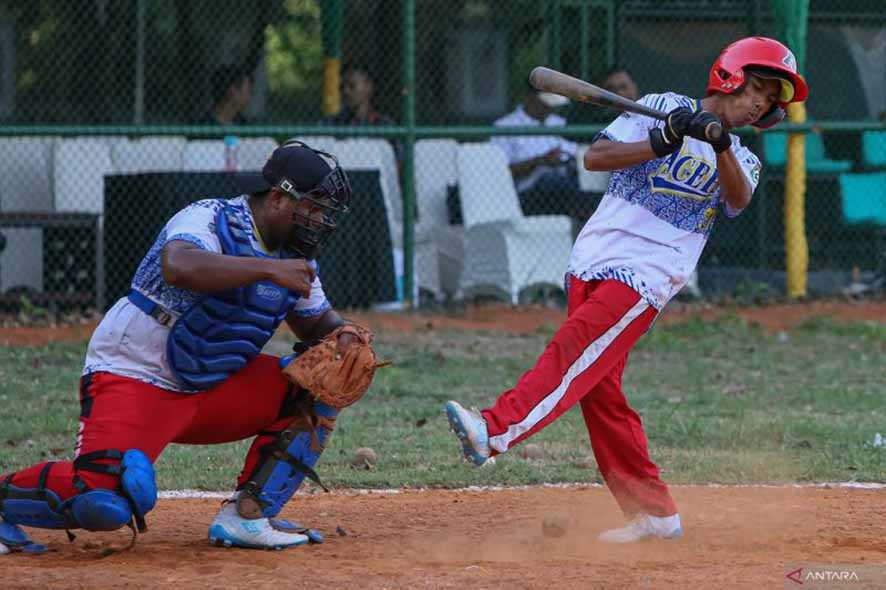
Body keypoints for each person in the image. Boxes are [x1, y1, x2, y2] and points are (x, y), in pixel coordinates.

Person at [445, 37, 807, 543]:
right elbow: (596, 158)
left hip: (647, 274)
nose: (761, 104)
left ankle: (494, 429)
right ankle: (653, 512)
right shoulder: (659, 108)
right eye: (760, 89)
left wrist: (719, 140)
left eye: (770, 101)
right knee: (601, 393)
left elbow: (737, 198)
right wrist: (662, 140)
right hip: (593, 260)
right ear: (731, 75)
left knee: (571, 351)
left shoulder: (743, 157)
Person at [0, 141, 378, 554]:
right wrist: (269, 268)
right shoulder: (212, 217)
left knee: (323, 382)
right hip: (137, 370)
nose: (321, 221)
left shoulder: (295, 257)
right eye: (314, 207)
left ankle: (248, 516)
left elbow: (316, 321)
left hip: (215, 381)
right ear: (277, 197)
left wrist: (345, 336)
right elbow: (179, 266)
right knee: (103, 501)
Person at [492, 86, 589, 219]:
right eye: (547, 102)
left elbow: (577, 153)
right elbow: (499, 173)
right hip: (527, 192)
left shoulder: (560, 123)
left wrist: (569, 161)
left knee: (588, 189)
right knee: (552, 182)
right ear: (531, 97)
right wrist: (541, 161)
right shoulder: (505, 126)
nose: (551, 107)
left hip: (565, 184)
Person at [324, 64, 396, 127]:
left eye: (352, 86)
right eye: (342, 87)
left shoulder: (383, 123)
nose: (346, 91)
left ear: (368, 87)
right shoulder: (334, 122)